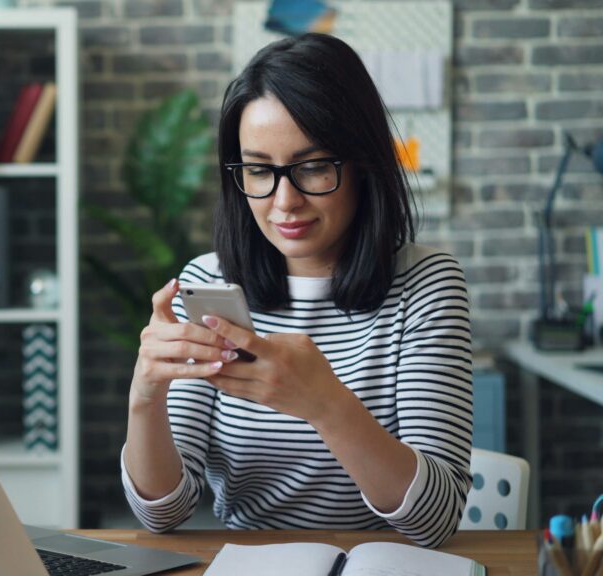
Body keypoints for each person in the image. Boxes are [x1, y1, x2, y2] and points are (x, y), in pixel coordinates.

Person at [121, 33, 472, 549]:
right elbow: (163, 512)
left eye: (312, 167)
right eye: (260, 170)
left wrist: (325, 404)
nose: (285, 201)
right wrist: (144, 398)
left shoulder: (425, 283)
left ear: (363, 165)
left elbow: (435, 520)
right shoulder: (208, 282)